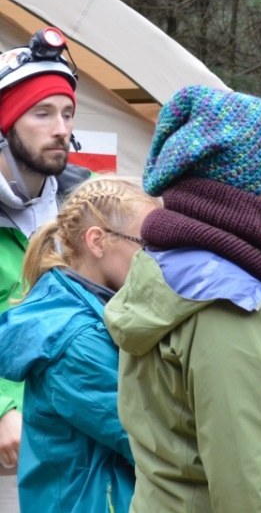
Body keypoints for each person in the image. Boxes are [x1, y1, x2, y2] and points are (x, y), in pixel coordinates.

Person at [103, 84, 261, 512]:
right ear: (242, 184)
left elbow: (205, 434)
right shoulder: (227, 308)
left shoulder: (181, 270)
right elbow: (252, 495)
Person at [0, 177, 157, 512]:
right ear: (97, 242)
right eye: (146, 246)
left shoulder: (81, 312)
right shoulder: (76, 341)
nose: (155, 260)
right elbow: (147, 440)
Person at [0, 27, 92, 511]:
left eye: (67, 113)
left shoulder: (88, 209)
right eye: (42, 113)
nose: (61, 128)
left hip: (71, 439)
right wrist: (2, 409)